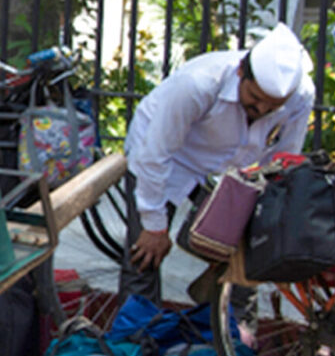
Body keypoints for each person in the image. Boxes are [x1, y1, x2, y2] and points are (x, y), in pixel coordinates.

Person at [122, 26, 314, 301]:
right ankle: (133, 338)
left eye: (272, 107)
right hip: (169, 155)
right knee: (145, 254)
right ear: (240, 72)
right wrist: (154, 226)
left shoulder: (301, 95)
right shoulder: (198, 83)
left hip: (231, 164)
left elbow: (282, 160)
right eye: (255, 98)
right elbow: (156, 154)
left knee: (249, 252)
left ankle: (232, 331)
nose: (261, 111)